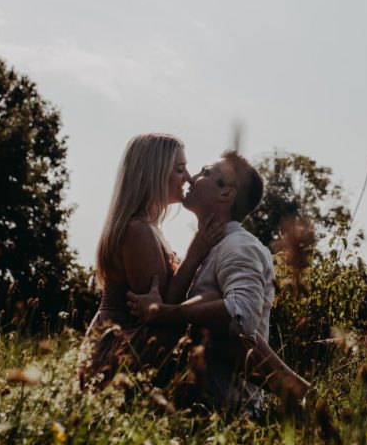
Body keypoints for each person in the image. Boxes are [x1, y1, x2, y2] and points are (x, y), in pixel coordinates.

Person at [126, 150, 310, 412]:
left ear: (226, 194)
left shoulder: (239, 246)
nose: (191, 178)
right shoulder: (209, 247)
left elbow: (241, 315)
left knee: (213, 310)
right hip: (195, 399)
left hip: (228, 405)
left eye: (205, 172)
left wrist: (166, 313)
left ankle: (297, 393)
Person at [81, 133, 224, 387]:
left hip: (127, 345)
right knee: (218, 315)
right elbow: (160, 314)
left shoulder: (147, 227)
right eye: (180, 169)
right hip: (122, 354)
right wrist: (194, 254)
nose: (189, 177)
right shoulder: (138, 231)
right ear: (155, 174)